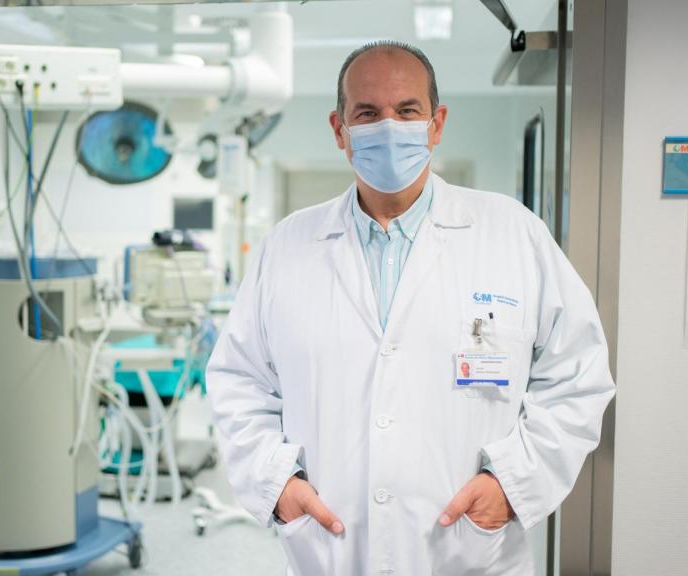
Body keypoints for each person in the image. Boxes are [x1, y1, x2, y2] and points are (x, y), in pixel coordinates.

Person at [206, 41, 615, 575]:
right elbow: (238, 383)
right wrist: (277, 483)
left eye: (407, 111)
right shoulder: (287, 246)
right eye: (368, 114)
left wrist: (512, 484)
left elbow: (577, 378)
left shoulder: (512, 233)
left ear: (436, 123)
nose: (388, 127)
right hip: (331, 550)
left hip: (467, 550)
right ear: (340, 130)